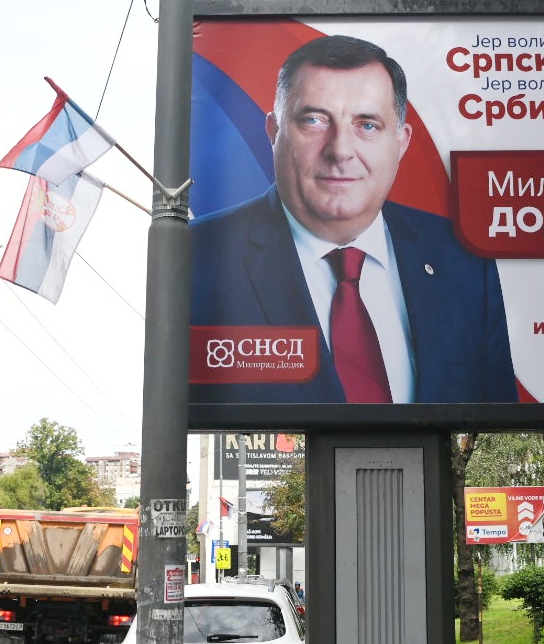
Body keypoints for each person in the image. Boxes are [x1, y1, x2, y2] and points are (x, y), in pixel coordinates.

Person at [190, 34, 517, 405]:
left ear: (401, 142)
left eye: (367, 125)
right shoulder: (193, 259)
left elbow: (495, 417)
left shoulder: (464, 260)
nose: (341, 150)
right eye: (313, 120)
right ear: (274, 132)